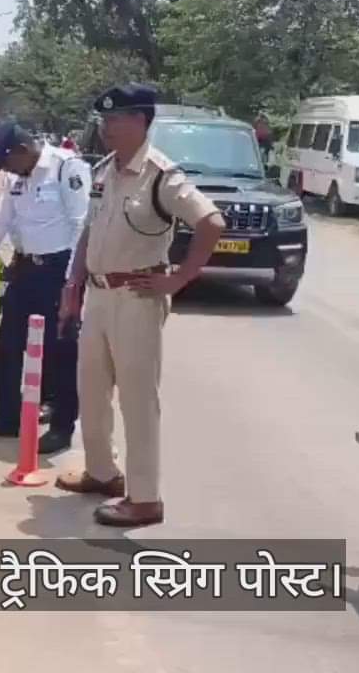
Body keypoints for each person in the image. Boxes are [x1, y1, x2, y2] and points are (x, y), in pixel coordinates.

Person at [56, 83, 226, 527]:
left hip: (137, 298)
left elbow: (211, 222)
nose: (107, 128)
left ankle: (145, 497)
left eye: (116, 120)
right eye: (104, 120)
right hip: (97, 294)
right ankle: (101, 471)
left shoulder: (161, 176)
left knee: (136, 399)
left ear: (141, 121)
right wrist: (72, 283)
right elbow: (90, 230)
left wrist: (179, 277)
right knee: (90, 388)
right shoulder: (105, 171)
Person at [0, 121, 90, 454]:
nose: (7, 171)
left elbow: (82, 226)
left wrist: (72, 283)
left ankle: (61, 427)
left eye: (8, 163)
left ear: (22, 150)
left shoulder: (67, 167)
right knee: (8, 343)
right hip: (26, 270)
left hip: (59, 272)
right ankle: (7, 417)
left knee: (61, 351)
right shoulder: (16, 178)